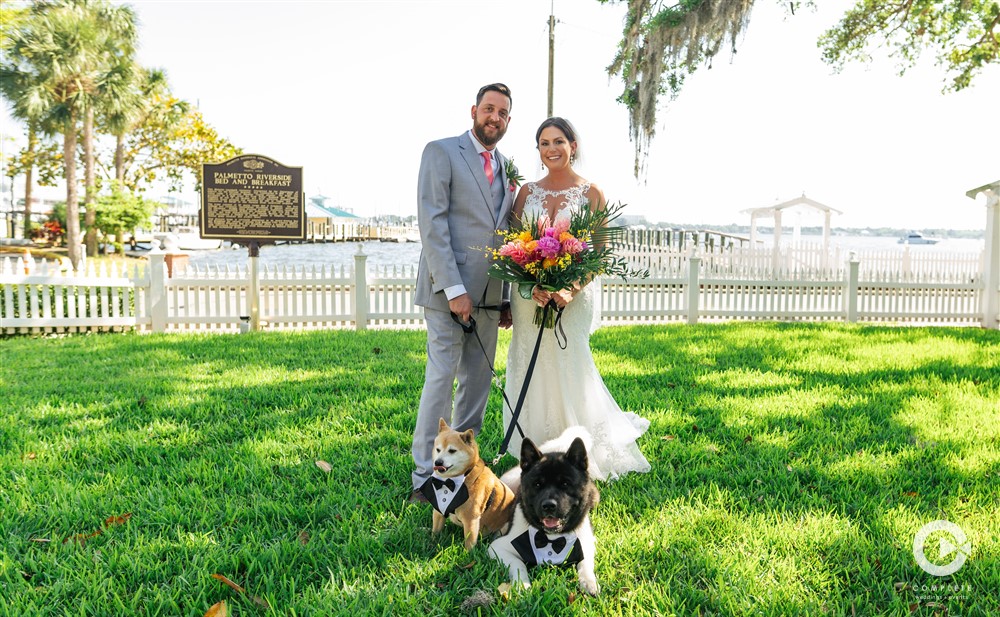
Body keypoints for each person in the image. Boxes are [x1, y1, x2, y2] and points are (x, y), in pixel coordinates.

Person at [503, 117, 650, 482]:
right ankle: (532, 444)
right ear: (538, 151)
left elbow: (598, 253)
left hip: (574, 296)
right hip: (530, 297)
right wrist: (531, 284)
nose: (551, 149)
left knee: (570, 362)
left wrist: (569, 288)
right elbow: (516, 247)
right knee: (531, 364)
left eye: (558, 141)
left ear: (573, 146)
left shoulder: (591, 193)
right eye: (543, 143)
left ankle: (578, 447)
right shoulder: (526, 193)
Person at [410, 83, 516, 497]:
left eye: (503, 113)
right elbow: (432, 224)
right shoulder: (441, 152)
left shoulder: (506, 166)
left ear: (508, 121)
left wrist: (504, 296)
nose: (495, 117)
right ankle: (426, 474)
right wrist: (454, 289)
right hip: (445, 291)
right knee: (441, 378)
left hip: (489, 297)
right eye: (489, 109)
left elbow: (504, 234)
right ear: (474, 111)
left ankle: (462, 468)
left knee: (477, 382)